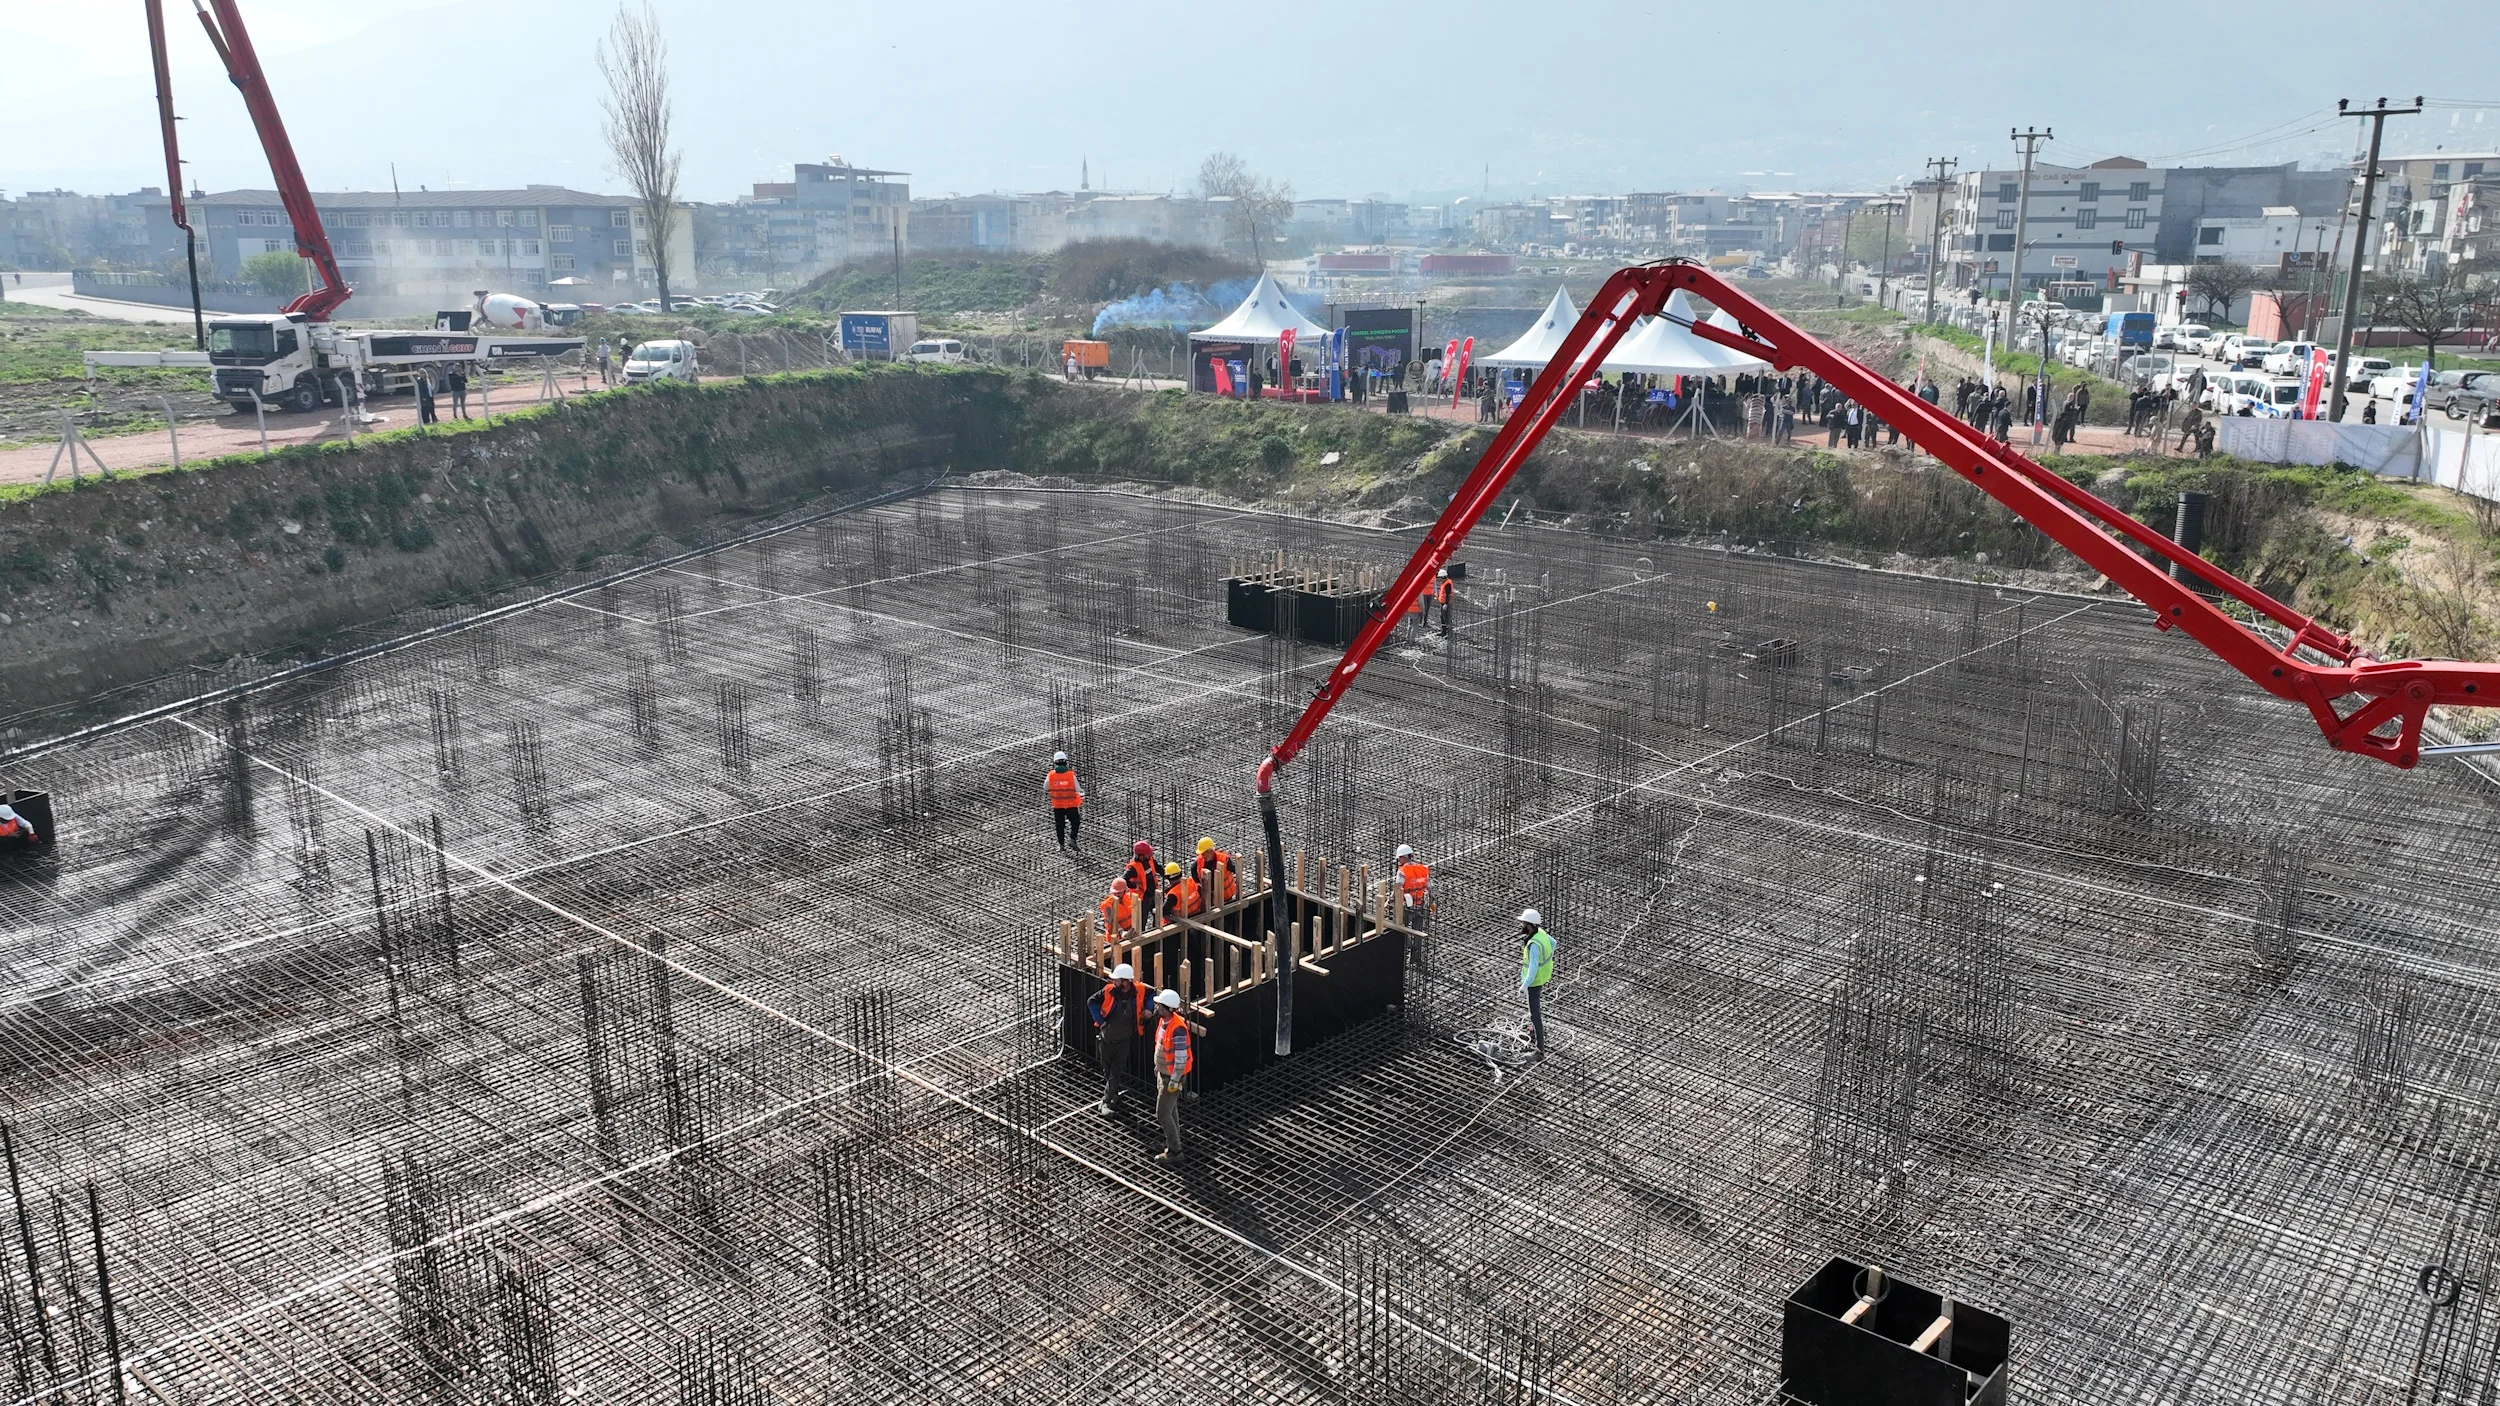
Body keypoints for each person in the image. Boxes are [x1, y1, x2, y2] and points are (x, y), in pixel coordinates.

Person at [1091, 962, 1150, 1115]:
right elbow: (1091, 1002)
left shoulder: (1138, 990)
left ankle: (1106, 1102)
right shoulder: (1109, 991)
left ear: (1125, 982)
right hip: (1106, 1040)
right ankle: (1113, 1096)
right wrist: (1101, 1021)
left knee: (1115, 1073)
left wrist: (1148, 1009)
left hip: (1123, 1041)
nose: (1113, 981)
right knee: (1108, 1071)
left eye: (1116, 980)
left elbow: (1152, 995)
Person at [1151, 989, 1195, 1165]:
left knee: (1162, 1113)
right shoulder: (1164, 1021)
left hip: (1171, 1078)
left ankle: (1175, 1151)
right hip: (1164, 1074)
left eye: (1159, 1005)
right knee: (1171, 1110)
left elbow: (1181, 1058)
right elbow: (1161, 1047)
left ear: (1168, 1008)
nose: (1156, 1007)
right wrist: (1158, 1067)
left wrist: (1175, 1080)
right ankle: (1174, 1142)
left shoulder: (1178, 1029)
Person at [1517, 908, 1555, 1060]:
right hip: (1542, 976)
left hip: (1535, 981)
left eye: (1524, 923)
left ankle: (1539, 1050)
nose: (1522, 926)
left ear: (1530, 925)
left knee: (1535, 1014)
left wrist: (1525, 985)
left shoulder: (1534, 944)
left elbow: (1533, 968)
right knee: (1534, 1011)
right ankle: (1533, 1031)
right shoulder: (1541, 934)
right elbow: (1553, 943)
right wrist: (1546, 961)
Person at [1046, 750, 1084, 851]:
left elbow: (1045, 787)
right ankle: (1072, 839)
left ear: (1055, 762)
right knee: (1075, 822)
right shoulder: (1071, 775)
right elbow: (1078, 789)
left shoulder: (1051, 775)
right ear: (1065, 762)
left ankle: (1061, 845)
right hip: (1071, 805)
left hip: (1058, 806)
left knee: (1060, 825)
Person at [1192, 837, 1238, 906]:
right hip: (1209, 897)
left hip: (1225, 897)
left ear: (1210, 851)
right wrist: (1199, 884)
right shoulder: (1199, 860)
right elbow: (1193, 870)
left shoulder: (1224, 859)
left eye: (1204, 854)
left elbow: (1237, 870)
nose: (1202, 856)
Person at [1395, 844, 1431, 921]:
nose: (1399, 861)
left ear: (1403, 858)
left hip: (1407, 905)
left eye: (1399, 858)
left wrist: (1389, 901)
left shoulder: (1402, 871)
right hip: (1420, 904)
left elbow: (1397, 890)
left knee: (1403, 924)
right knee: (1418, 926)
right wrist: (1431, 903)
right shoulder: (1423, 869)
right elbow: (1430, 887)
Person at [1123, 840, 1158, 913]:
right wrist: (1133, 886)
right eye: (1147, 854)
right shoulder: (1133, 868)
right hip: (1142, 898)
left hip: (1153, 893)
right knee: (1142, 918)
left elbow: (1158, 867)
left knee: (1158, 913)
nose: (1150, 855)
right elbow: (1124, 879)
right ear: (1141, 856)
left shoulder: (1150, 860)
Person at [1434, 568, 1456, 636]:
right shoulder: (1445, 582)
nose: (1439, 579)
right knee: (1443, 617)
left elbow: (1448, 594)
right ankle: (1444, 631)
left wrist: (1446, 604)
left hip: (1446, 603)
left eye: (1440, 578)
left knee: (1446, 618)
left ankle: (1448, 632)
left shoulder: (1447, 583)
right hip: (1443, 602)